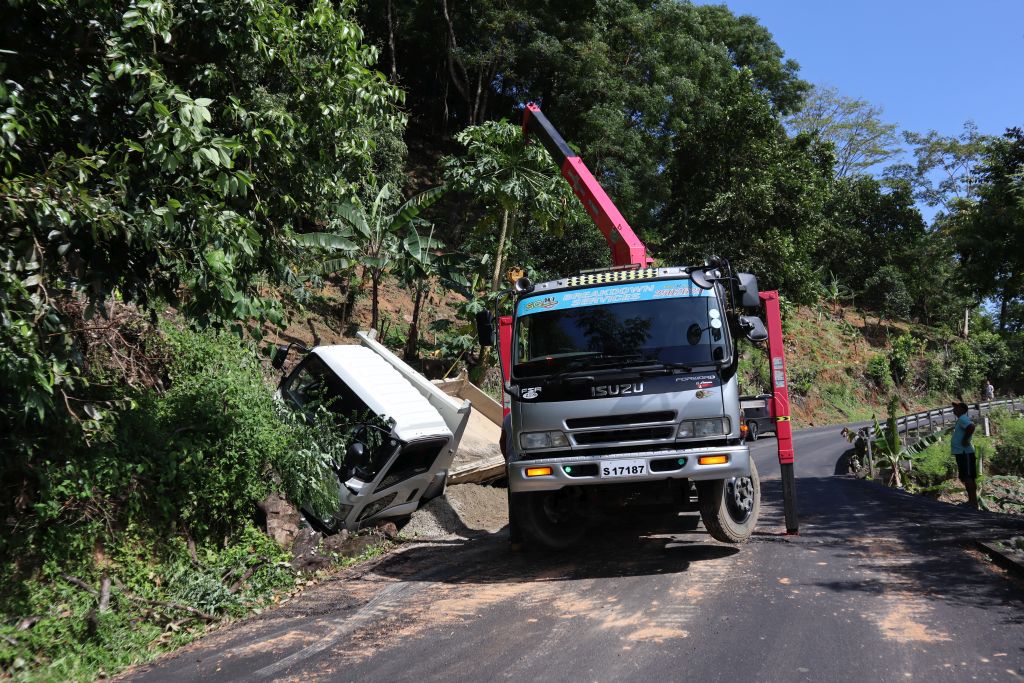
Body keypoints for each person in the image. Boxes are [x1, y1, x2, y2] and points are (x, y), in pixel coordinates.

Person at [951, 402, 978, 508]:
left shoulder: (962, 419)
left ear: (962, 409)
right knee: (968, 477)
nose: (954, 409)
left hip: (964, 452)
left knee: (968, 477)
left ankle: (973, 502)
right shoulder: (960, 419)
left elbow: (971, 427)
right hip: (962, 452)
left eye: (956, 407)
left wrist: (965, 440)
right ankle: (972, 502)